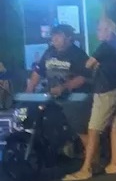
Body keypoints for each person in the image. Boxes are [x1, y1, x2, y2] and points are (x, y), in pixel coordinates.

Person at [64, 19, 116, 181]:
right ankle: (114, 164)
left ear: (108, 31)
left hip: (105, 92)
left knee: (93, 129)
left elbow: (88, 65)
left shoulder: (104, 46)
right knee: (114, 127)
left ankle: (86, 169)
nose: (97, 32)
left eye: (100, 29)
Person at [26, 24, 93, 157]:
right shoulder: (49, 52)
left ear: (69, 38)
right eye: (53, 36)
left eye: (58, 36)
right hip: (51, 95)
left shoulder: (78, 54)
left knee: (79, 126)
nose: (54, 39)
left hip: (73, 97)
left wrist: (64, 87)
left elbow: (83, 77)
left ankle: (91, 158)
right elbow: (38, 72)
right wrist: (29, 90)